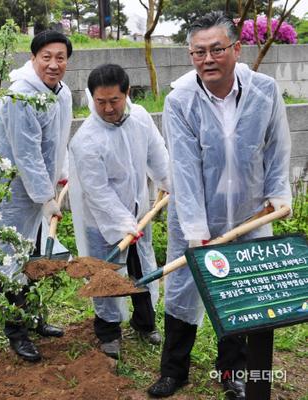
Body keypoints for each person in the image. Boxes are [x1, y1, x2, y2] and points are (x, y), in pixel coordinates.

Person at [147, 12, 291, 399]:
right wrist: (196, 232)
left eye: (216, 49)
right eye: (198, 52)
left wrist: (279, 196)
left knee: (242, 296)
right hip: (197, 218)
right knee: (182, 293)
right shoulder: (181, 101)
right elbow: (184, 167)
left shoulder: (264, 91)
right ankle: (174, 371)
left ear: (236, 48)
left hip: (250, 215)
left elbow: (277, 148)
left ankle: (233, 374)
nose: (207, 59)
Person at [0, 30, 73, 362]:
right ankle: (16, 332)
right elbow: (27, 153)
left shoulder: (61, 93)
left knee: (32, 258)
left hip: (36, 192)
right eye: (46, 57)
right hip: (9, 194)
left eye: (60, 57)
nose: (53, 64)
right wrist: (46, 197)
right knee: (10, 263)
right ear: (33, 58)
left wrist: (59, 174)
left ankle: (32, 316)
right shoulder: (19, 97)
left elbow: (57, 139)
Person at [68, 64, 170, 359]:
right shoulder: (86, 140)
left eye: (114, 100)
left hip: (138, 212)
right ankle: (108, 332)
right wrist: (124, 222)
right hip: (101, 220)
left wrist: (170, 183)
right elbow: (98, 191)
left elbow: (157, 154)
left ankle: (145, 323)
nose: (108, 108)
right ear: (92, 98)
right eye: (100, 102)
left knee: (141, 269)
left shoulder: (140, 118)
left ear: (127, 93)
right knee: (105, 275)